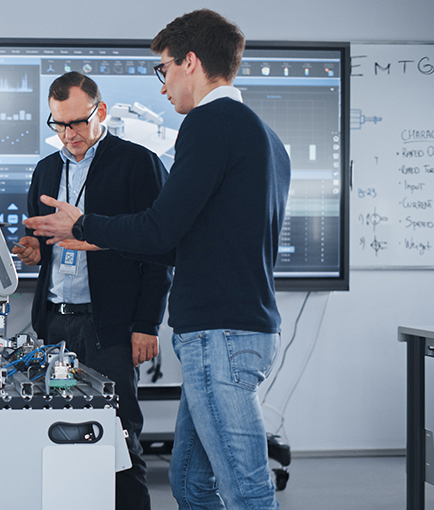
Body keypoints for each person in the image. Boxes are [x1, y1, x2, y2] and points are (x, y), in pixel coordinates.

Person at [25, 10, 291, 509]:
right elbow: (182, 241)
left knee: (245, 486)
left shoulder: (209, 124)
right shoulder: (262, 135)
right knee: (190, 481)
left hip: (221, 335)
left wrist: (83, 225)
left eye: (163, 70)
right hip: (227, 330)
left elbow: (161, 226)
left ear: (190, 62)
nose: (163, 87)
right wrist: (97, 238)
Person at [11, 71, 172, 510]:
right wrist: (31, 251)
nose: (69, 134)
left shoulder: (138, 164)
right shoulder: (46, 170)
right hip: (55, 327)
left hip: (111, 330)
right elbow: (43, 244)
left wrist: (146, 324)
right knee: (57, 436)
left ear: (100, 112)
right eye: (59, 124)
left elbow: (158, 251)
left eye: (78, 122)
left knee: (119, 440)